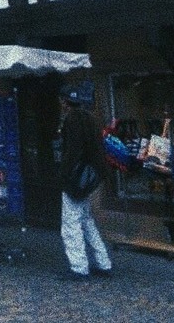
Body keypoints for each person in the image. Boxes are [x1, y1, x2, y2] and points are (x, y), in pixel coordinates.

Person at [59, 87, 112, 280]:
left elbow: (72, 152)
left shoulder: (72, 120)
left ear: (65, 102)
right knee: (87, 220)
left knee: (71, 223)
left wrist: (64, 175)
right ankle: (103, 262)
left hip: (76, 178)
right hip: (91, 176)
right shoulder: (91, 119)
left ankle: (79, 267)